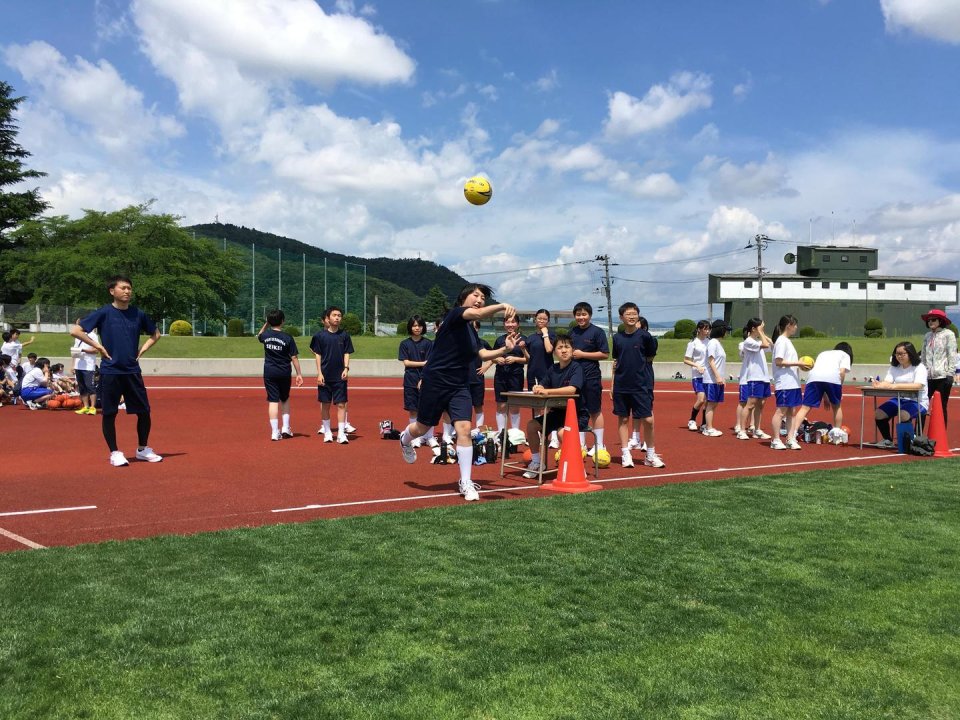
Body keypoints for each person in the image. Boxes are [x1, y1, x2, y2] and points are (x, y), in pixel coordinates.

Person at [398, 283, 518, 502]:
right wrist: (502, 306)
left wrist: (505, 349)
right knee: (422, 427)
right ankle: (404, 439)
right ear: (464, 298)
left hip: (459, 385)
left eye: (483, 297)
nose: (480, 299)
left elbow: (481, 353)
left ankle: (465, 482)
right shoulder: (455, 315)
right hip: (436, 381)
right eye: (476, 295)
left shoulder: (471, 331)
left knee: (464, 428)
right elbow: (479, 312)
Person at [71, 275, 163, 466]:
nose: (127, 291)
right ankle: (114, 452)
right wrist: (98, 347)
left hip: (132, 371)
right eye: (123, 288)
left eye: (129, 288)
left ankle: (142, 449)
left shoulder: (138, 314)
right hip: (110, 371)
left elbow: (156, 334)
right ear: (112, 291)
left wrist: (143, 349)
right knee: (109, 413)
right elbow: (76, 331)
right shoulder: (104, 312)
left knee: (144, 412)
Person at [522, 335, 587, 478]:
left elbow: (572, 390)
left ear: (572, 350)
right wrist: (538, 387)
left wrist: (547, 391)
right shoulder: (553, 368)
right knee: (532, 425)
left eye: (567, 347)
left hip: (575, 414)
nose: (564, 351)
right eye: (560, 348)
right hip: (557, 413)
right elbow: (543, 384)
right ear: (555, 352)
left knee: (562, 433)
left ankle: (576, 467)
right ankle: (538, 462)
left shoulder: (577, 367)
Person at [612, 303, 664, 468]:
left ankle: (650, 454)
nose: (632, 316)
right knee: (624, 419)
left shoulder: (645, 336)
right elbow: (616, 361)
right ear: (621, 317)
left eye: (634, 313)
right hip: (621, 385)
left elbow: (649, 358)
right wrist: (613, 385)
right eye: (628, 314)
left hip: (640, 385)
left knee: (648, 420)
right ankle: (625, 453)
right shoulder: (617, 338)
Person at [787, 342, 853, 449]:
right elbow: (841, 372)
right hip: (833, 378)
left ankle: (792, 435)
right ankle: (836, 436)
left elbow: (821, 375)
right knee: (837, 407)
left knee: (805, 407)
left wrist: (825, 396)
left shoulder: (823, 353)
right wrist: (838, 388)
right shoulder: (845, 355)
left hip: (814, 377)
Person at [310, 306, 355, 444]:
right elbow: (317, 354)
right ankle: (327, 431)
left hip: (340, 376)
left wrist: (346, 368)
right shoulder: (319, 336)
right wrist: (319, 373)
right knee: (325, 404)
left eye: (339, 315)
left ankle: (341, 434)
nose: (337, 318)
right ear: (328, 318)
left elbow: (347, 352)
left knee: (341, 404)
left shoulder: (344, 335)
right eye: (334, 315)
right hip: (325, 376)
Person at [569, 301, 610, 451]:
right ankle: (581, 444)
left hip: (591, 376)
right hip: (574, 377)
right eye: (578, 314)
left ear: (590, 315)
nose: (581, 317)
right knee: (578, 410)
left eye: (584, 314)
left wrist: (582, 354)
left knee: (594, 410)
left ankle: (599, 444)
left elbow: (605, 354)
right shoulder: (572, 332)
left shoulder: (597, 332)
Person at [872, 341, 928, 449]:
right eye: (897, 354)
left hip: (918, 401)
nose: (899, 356)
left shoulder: (919, 367)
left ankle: (909, 442)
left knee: (903, 414)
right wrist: (879, 384)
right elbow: (888, 382)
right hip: (899, 399)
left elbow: (918, 385)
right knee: (879, 413)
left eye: (903, 354)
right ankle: (887, 440)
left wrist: (894, 386)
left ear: (910, 353)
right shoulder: (894, 367)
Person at [258, 309, 304, 441]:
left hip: (269, 371)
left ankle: (274, 432)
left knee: (273, 401)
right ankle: (286, 427)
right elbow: (294, 357)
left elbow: (259, 335)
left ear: (269, 321)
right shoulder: (287, 337)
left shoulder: (266, 336)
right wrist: (299, 374)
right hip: (284, 371)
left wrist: (266, 324)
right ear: (283, 321)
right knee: (284, 399)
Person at [397, 315, 438, 449]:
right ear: (410, 327)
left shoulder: (428, 344)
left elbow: (430, 364)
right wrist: (422, 363)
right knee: (413, 410)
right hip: (410, 380)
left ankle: (430, 436)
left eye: (419, 325)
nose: (417, 328)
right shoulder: (405, 344)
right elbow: (406, 362)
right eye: (414, 325)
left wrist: (423, 378)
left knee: (428, 409)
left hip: (427, 381)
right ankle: (415, 437)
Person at [769, 315, 806, 450]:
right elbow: (778, 362)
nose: (796, 327)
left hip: (793, 383)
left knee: (792, 411)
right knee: (781, 411)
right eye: (794, 324)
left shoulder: (787, 341)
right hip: (784, 382)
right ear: (788, 325)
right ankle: (776, 439)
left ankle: (790, 438)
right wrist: (798, 363)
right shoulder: (781, 341)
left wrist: (800, 366)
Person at [524, 309, 559, 446]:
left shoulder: (551, 336)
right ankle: (537, 433)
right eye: (539, 319)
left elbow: (549, 349)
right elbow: (528, 358)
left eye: (544, 319)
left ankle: (554, 436)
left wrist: (545, 334)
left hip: (547, 372)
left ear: (548, 321)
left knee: (550, 405)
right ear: (535, 320)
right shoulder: (531, 338)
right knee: (536, 404)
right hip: (533, 373)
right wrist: (522, 349)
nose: (542, 321)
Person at [919, 308, 957, 426]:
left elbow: (952, 354)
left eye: (933, 319)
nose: (930, 322)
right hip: (928, 378)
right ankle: (917, 434)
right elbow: (924, 355)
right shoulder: (927, 336)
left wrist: (950, 374)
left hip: (943, 376)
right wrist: (923, 372)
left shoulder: (948, 334)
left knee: (941, 406)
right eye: (929, 320)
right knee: (922, 404)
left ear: (940, 321)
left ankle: (940, 434)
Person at [737, 318, 773, 441]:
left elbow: (771, 345)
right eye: (761, 327)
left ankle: (757, 429)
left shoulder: (758, 340)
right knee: (750, 404)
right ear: (753, 328)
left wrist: (762, 333)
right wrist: (761, 333)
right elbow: (765, 344)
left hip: (764, 377)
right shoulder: (748, 342)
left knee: (761, 404)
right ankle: (742, 430)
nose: (762, 330)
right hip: (754, 377)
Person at [492, 312, 527, 432]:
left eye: (513, 322)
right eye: (507, 322)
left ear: (518, 324)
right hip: (500, 376)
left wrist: (516, 359)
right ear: (504, 324)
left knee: (515, 406)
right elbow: (492, 356)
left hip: (516, 376)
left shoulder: (523, 340)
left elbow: (528, 359)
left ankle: (515, 433)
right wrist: (497, 359)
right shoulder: (499, 340)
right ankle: (501, 433)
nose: (510, 324)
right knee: (501, 405)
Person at [701, 319, 730, 437]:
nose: (727, 333)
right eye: (725, 330)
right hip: (711, 379)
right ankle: (708, 428)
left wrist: (722, 377)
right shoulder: (713, 343)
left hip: (716, 379)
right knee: (711, 403)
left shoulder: (717, 343)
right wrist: (718, 376)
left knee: (713, 403)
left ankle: (708, 426)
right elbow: (711, 360)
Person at [683, 320, 711, 431]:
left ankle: (704, 423)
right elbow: (686, 360)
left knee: (708, 400)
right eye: (705, 328)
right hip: (697, 375)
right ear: (699, 329)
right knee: (701, 399)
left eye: (708, 329)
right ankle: (692, 420)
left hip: (708, 375)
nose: (707, 331)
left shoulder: (710, 342)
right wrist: (697, 365)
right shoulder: (693, 343)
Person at [72, 321, 100, 415]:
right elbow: (75, 352)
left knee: (90, 386)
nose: (77, 326)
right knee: (82, 387)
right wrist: (73, 365)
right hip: (78, 365)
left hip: (88, 365)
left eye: (78, 324)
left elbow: (96, 350)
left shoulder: (92, 335)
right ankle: (85, 406)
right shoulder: (77, 337)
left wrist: (84, 350)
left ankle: (92, 407)